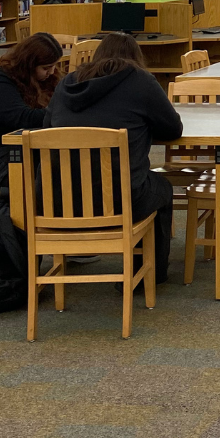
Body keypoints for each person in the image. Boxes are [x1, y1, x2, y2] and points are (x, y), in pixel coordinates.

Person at [45, 34, 182, 284]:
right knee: (162, 188)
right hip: (121, 200)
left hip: (59, 200)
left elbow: (46, 128)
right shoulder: (141, 81)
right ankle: (149, 276)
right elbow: (173, 129)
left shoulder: (66, 84)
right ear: (135, 57)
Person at [0, 33, 63, 191]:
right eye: (46, 68)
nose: (51, 72)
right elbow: (23, 119)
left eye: (54, 66)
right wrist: (65, 112)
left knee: (67, 163)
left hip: (16, 147)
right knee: (57, 170)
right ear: (28, 63)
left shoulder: (38, 78)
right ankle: (29, 214)